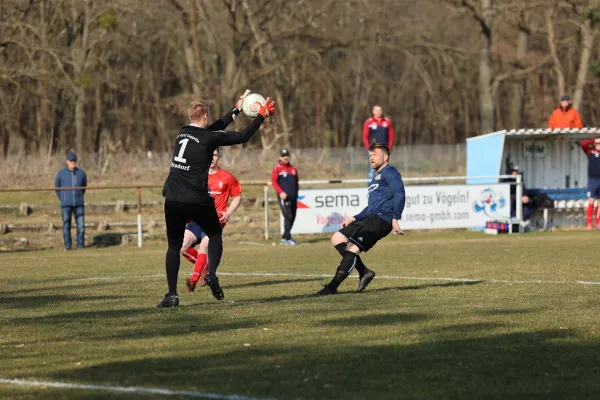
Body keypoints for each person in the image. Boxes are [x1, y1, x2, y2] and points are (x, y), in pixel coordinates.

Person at [159, 92, 276, 307]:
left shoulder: (182, 133)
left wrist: (237, 108)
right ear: (204, 115)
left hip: (173, 198)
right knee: (214, 234)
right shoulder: (209, 138)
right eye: (208, 116)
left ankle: (172, 296)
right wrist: (261, 115)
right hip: (195, 198)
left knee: (173, 247)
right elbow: (242, 136)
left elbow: (215, 127)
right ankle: (211, 274)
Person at [317, 141, 405, 295]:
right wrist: (354, 217)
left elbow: (400, 193)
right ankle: (364, 272)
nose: (371, 157)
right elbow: (371, 207)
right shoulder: (375, 178)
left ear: (385, 157)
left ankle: (331, 288)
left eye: (375, 154)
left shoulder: (391, 172)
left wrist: (395, 218)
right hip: (371, 216)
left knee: (352, 248)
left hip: (381, 220)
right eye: (370, 155)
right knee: (337, 238)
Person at [182, 147, 242, 292]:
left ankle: (193, 280)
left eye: (214, 155)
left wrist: (228, 213)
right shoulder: (197, 176)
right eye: (209, 155)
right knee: (182, 247)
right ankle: (205, 266)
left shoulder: (227, 177)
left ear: (219, 157)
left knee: (204, 246)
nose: (212, 158)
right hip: (196, 220)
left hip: (214, 221)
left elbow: (237, 197)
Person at [55, 152, 87, 251]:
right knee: (66, 225)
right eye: (71, 161)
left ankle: (80, 245)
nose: (73, 162)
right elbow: (57, 187)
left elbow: (84, 187)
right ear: (67, 162)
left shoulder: (81, 173)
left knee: (81, 225)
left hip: (79, 203)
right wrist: (63, 198)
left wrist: (79, 196)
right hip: (66, 204)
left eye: (74, 161)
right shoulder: (61, 174)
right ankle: (67, 245)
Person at [271, 149, 299, 245]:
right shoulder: (277, 168)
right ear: (280, 157)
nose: (285, 157)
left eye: (287, 155)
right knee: (288, 216)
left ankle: (286, 237)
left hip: (293, 197)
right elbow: (274, 182)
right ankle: (286, 239)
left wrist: (296, 194)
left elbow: (296, 182)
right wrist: (281, 192)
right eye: (283, 156)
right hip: (284, 197)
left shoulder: (293, 169)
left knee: (293, 217)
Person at [363, 105, 395, 182]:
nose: (378, 112)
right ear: (373, 111)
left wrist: (389, 147)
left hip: (384, 150)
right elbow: (365, 136)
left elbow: (391, 135)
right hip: (373, 150)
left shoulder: (387, 122)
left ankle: (383, 188)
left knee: (384, 169)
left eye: (380, 110)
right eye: (376, 110)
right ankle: (370, 188)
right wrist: (369, 148)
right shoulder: (369, 122)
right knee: (372, 169)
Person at [579, 137, 600, 230]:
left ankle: (598, 223)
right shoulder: (590, 152)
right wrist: (594, 140)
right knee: (591, 201)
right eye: (598, 144)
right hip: (593, 180)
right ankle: (589, 224)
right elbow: (583, 144)